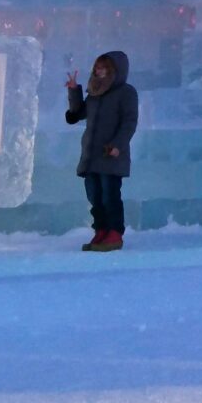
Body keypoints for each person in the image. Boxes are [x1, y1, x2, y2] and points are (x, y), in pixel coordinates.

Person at [64, 50, 138, 252]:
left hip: (110, 153)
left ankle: (114, 232)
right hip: (92, 154)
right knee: (94, 195)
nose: (100, 71)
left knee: (110, 194)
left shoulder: (126, 92)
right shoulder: (95, 92)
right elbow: (77, 114)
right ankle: (101, 230)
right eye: (98, 67)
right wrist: (74, 91)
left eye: (104, 67)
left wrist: (118, 145)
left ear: (116, 70)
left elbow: (129, 122)